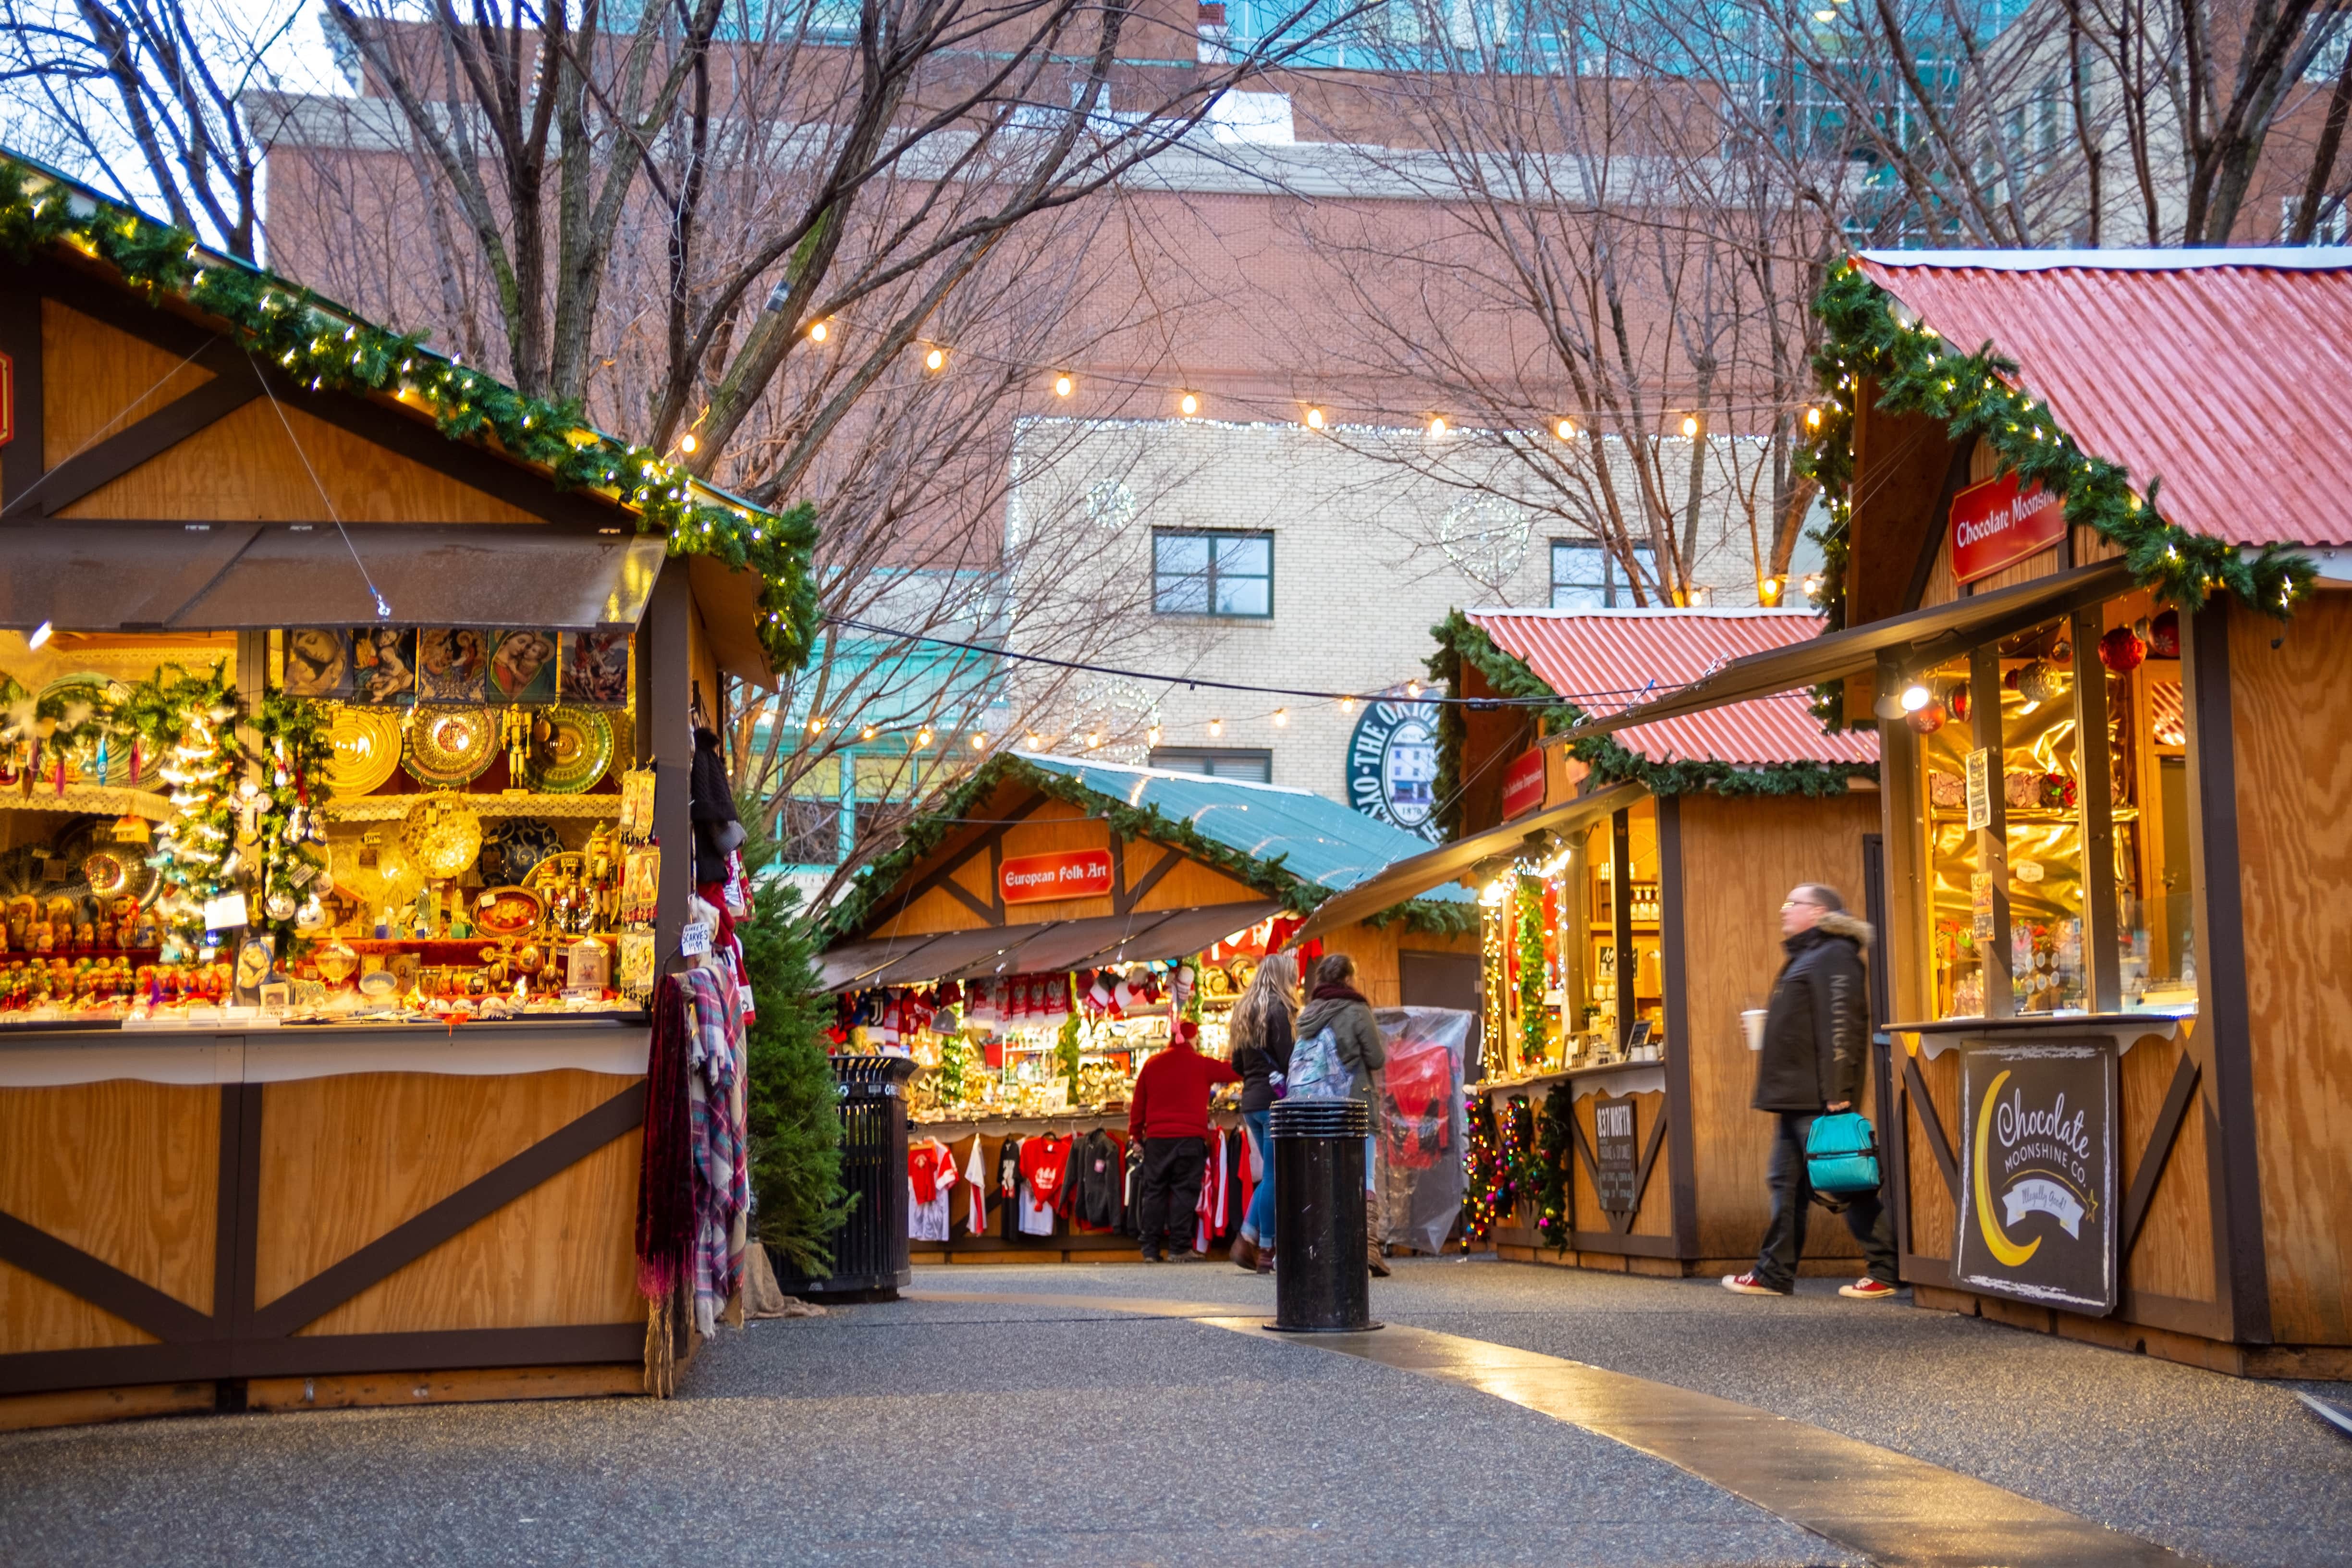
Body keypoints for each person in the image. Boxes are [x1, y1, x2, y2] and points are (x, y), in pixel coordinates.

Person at [1723, 883, 1900, 1300]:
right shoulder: (1809, 956)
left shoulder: (1835, 955)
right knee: (1784, 1185)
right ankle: (1773, 1274)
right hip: (1795, 1097)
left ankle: (1888, 1271)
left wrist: (1839, 1091)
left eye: (1793, 904)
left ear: (1819, 912)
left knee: (1844, 1182)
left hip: (1819, 1098)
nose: (1784, 911)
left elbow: (1842, 1023)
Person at [1294, 951, 1390, 1277]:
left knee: (1324, 1175)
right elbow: (1376, 1058)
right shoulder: (1356, 1009)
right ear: (1348, 978)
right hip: (1354, 1101)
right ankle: (1368, 1248)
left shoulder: (1309, 1013)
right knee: (1364, 1175)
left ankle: (1323, 1249)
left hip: (1316, 1108)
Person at [1129, 1018, 1240, 1262]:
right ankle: (1179, 1248)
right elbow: (1234, 1071)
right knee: (1183, 1192)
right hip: (1189, 1139)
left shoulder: (1151, 1064)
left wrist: (1136, 1135)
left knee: (1154, 1192)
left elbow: (1138, 1105)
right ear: (1191, 1038)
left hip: (1158, 1139)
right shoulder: (1201, 1064)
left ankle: (1150, 1249)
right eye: (1197, 1038)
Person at [1227, 954, 1298, 1273]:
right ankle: (1267, 1247)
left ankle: (1248, 1238)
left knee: (1271, 1175)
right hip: (1275, 1102)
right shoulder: (1279, 1010)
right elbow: (1288, 1060)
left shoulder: (1244, 1010)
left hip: (1251, 1103)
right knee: (1274, 1176)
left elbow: (1236, 1065)